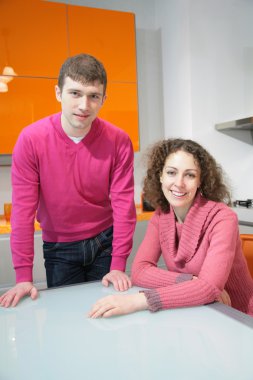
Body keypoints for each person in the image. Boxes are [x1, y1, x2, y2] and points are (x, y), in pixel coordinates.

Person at [0, 53, 136, 308]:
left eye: (93, 96)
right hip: (59, 248)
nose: (84, 105)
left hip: (104, 242)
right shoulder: (31, 140)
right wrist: (22, 278)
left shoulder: (119, 140)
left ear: (103, 99)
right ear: (58, 93)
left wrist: (118, 264)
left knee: (108, 316)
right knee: (66, 320)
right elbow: (23, 212)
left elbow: (123, 207)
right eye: (75, 93)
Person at [88, 138, 253, 318]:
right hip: (197, 311)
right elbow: (139, 271)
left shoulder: (223, 218)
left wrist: (138, 301)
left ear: (200, 180)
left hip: (237, 316)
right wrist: (189, 282)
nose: (179, 183)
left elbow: (209, 288)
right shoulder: (161, 216)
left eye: (190, 175)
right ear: (160, 176)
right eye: (171, 172)